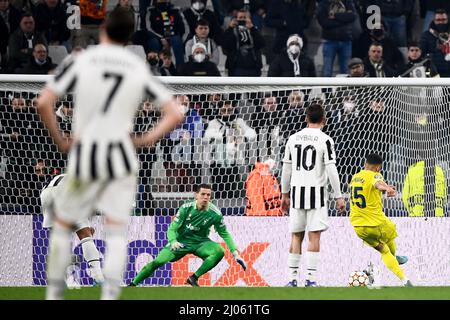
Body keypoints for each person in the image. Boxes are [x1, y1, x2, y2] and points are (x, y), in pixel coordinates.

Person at [36, 8, 184, 300]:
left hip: (85, 155)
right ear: (130, 36)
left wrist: (62, 140)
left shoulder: (82, 60)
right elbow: (175, 113)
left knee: (64, 228)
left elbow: (43, 102)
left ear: (103, 30)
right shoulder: (136, 66)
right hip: (119, 159)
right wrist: (142, 140)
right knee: (115, 232)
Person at [129, 184, 247, 286]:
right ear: (196, 195)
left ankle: (194, 278)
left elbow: (225, 233)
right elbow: (172, 228)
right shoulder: (186, 208)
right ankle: (133, 284)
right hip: (181, 243)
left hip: (201, 243)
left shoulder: (215, 214)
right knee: (158, 262)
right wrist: (173, 240)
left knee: (219, 251)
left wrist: (235, 253)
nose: (206, 197)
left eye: (208, 195)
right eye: (203, 194)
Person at [281, 103, 345, 287]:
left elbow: (286, 169)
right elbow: (331, 170)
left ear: (306, 119)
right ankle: (310, 279)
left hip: (297, 193)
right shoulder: (325, 140)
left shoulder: (293, 138)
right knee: (314, 236)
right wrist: (339, 196)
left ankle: (292, 279)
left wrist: (284, 194)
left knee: (296, 235)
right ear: (324, 120)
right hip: (316, 195)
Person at [349, 153, 412, 287]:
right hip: (376, 223)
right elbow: (377, 183)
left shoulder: (355, 177)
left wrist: (385, 187)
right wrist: (388, 188)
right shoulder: (375, 175)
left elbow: (372, 187)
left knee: (384, 251)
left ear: (365, 164)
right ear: (378, 168)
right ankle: (399, 267)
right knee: (389, 235)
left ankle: (401, 272)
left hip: (359, 227)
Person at [40, 173, 105, 285]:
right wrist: (88, 229)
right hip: (66, 192)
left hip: (46, 194)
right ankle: (98, 278)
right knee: (85, 236)